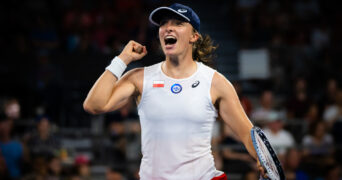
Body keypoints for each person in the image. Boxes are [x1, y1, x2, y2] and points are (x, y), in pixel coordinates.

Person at [84, 3, 264, 180]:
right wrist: (122, 59)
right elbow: (94, 105)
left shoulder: (215, 82)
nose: (168, 28)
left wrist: (262, 160)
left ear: (194, 36)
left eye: (178, 23)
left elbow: (247, 133)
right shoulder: (139, 78)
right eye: (163, 24)